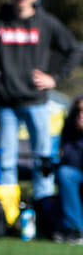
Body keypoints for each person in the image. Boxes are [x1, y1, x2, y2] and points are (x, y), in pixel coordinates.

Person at [0, 0, 82, 202]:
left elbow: (74, 50)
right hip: (7, 102)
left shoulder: (46, 23)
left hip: (37, 102)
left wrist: (55, 78)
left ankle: (43, 205)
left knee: (43, 158)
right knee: (6, 159)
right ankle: (9, 207)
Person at [53, 95, 83, 244]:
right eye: (78, 110)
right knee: (65, 173)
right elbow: (69, 158)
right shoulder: (70, 128)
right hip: (77, 171)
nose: (81, 115)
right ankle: (76, 229)